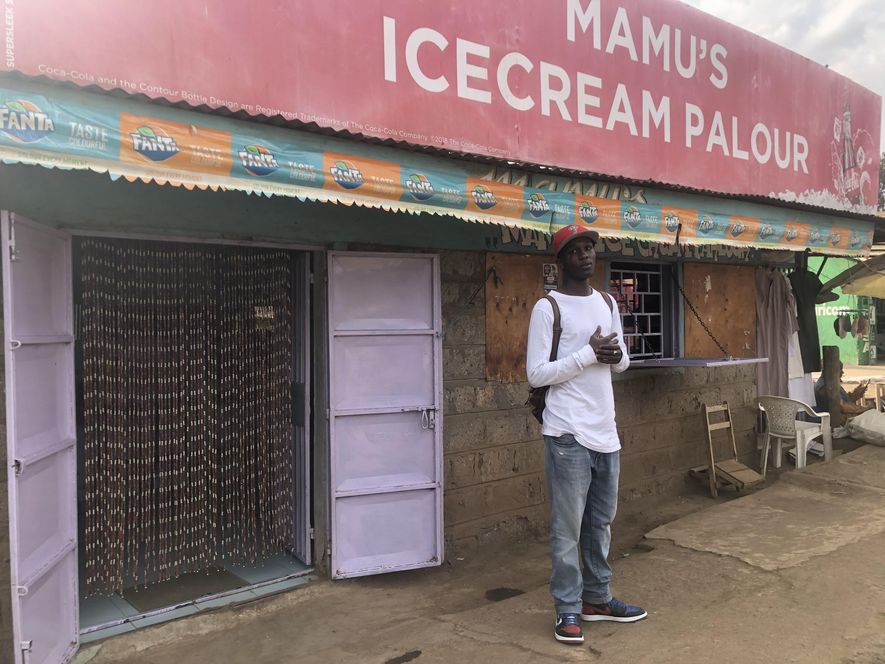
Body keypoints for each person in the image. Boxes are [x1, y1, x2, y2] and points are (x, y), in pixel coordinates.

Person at [526, 224, 647, 645]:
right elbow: (536, 372)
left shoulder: (607, 301)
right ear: (560, 261)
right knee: (567, 528)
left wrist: (615, 357)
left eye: (589, 248)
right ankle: (567, 609)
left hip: (605, 430)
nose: (585, 256)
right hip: (566, 432)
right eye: (575, 250)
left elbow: (621, 362)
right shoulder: (548, 308)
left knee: (601, 523)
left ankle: (597, 598)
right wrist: (586, 354)